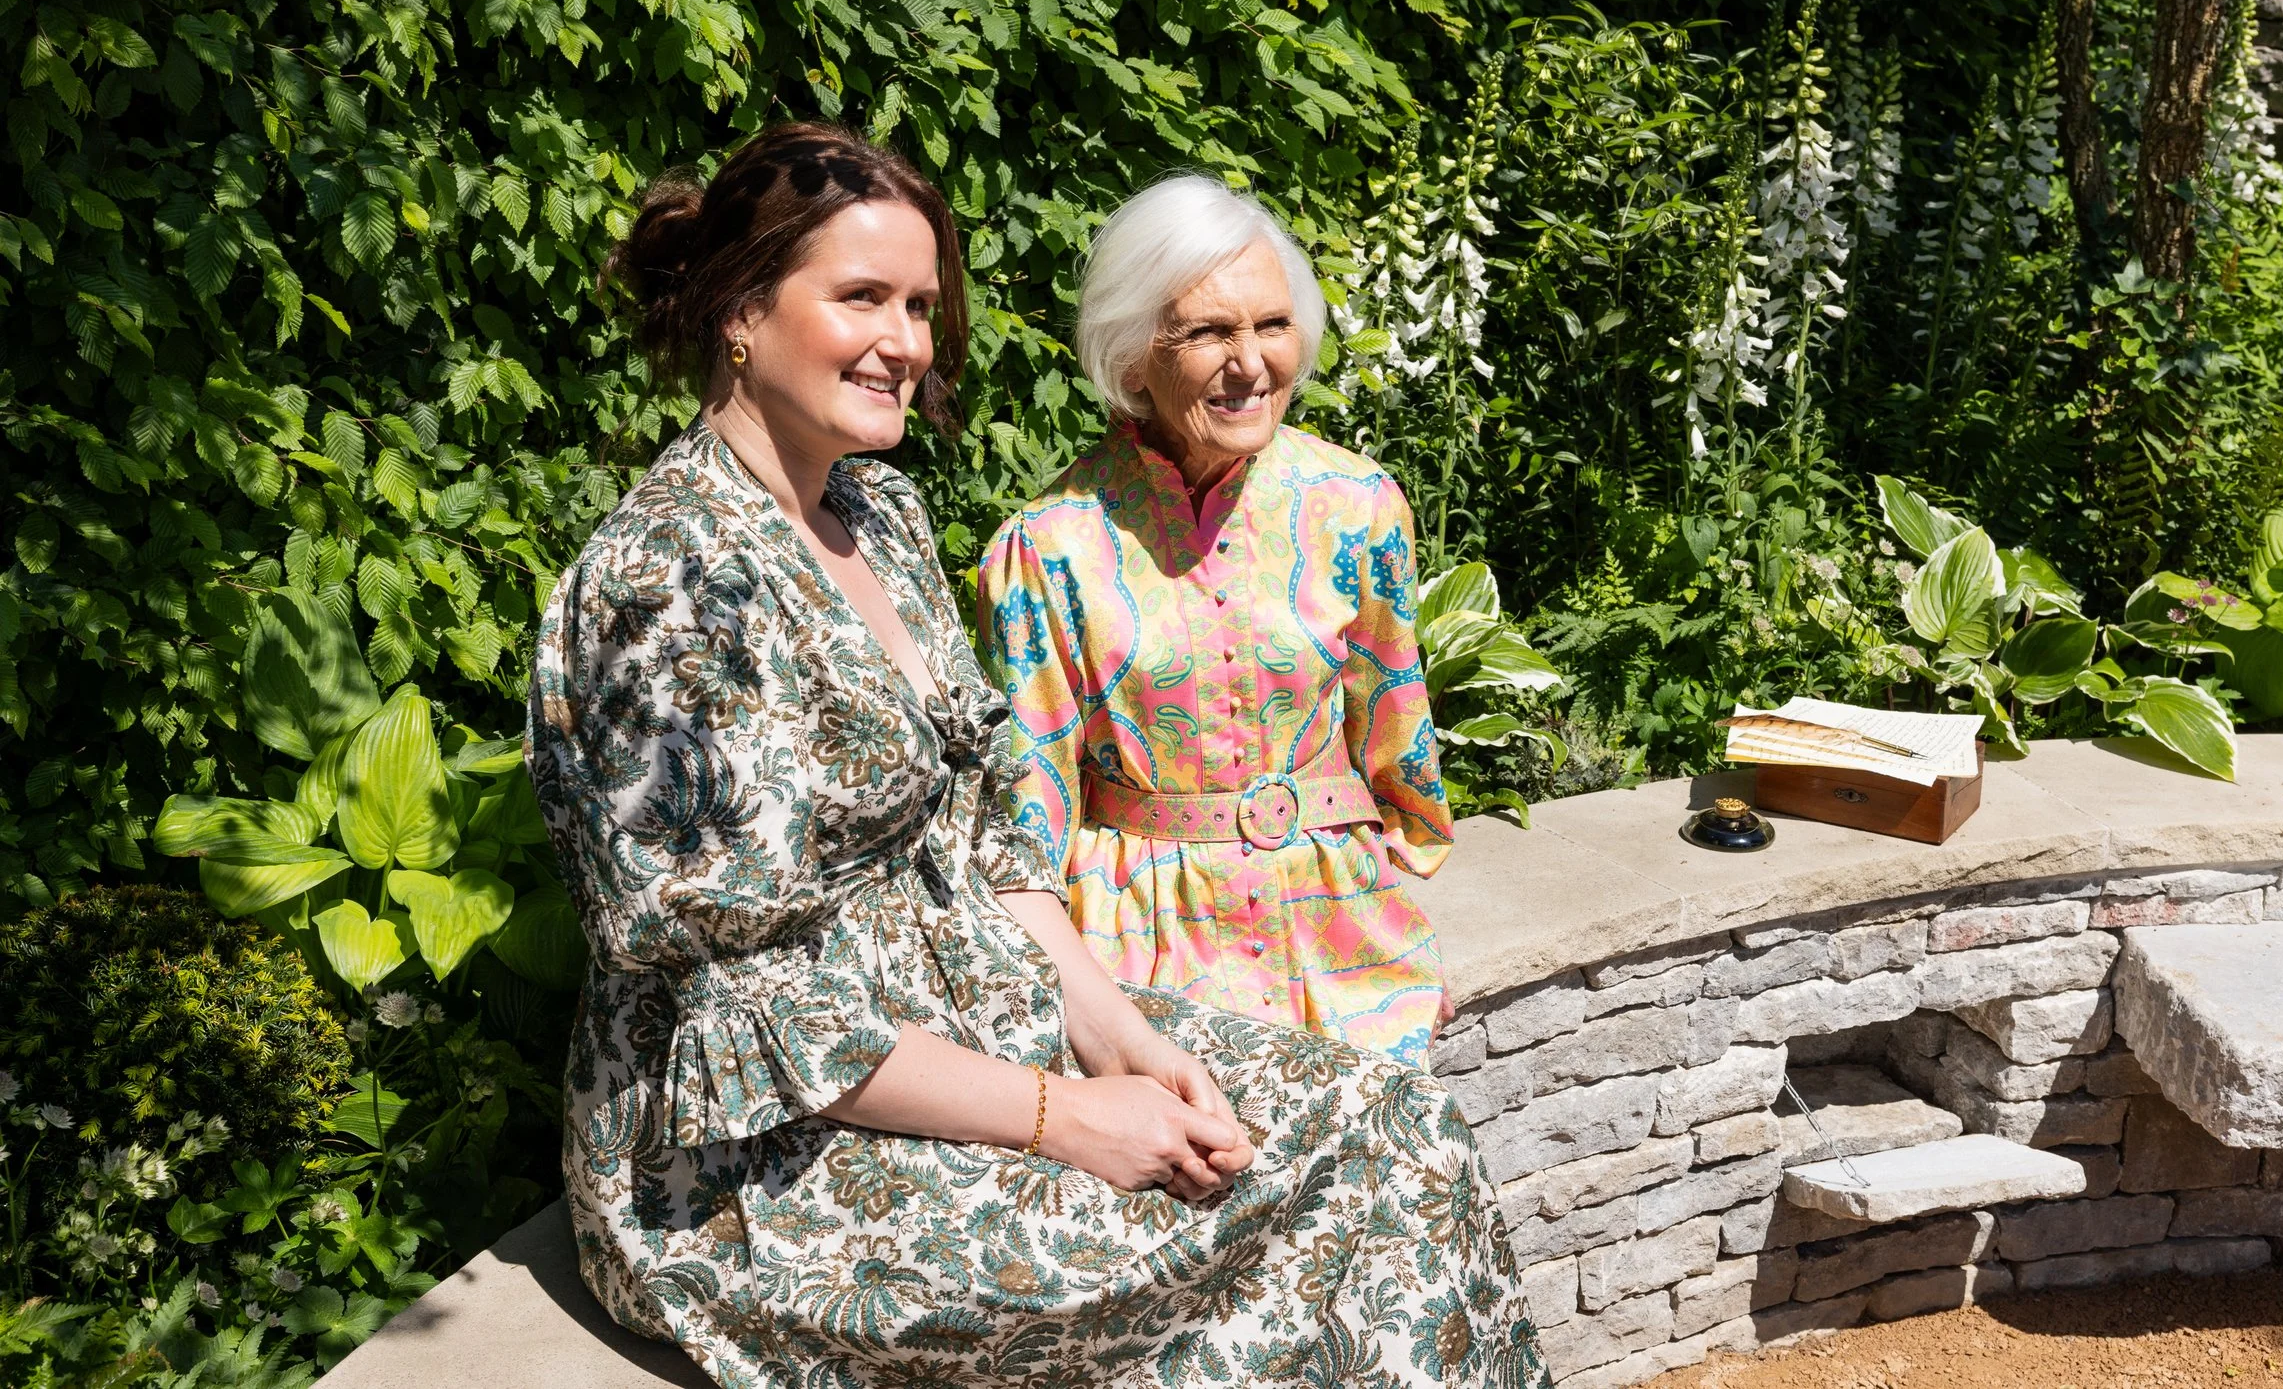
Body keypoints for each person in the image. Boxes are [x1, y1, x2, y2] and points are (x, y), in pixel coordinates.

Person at [526, 125, 1547, 1389]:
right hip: (766, 1162)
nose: (905, 342)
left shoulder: (872, 513)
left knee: (1399, 1127)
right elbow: (764, 1022)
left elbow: (983, 831)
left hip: (977, 1022)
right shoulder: (671, 591)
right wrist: (1073, 1119)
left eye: (917, 305)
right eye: (862, 299)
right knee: (1256, 1231)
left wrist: (1120, 1037)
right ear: (740, 310)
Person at [977, 175, 1456, 1069]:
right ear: (1133, 354)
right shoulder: (1044, 550)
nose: (1251, 363)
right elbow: (1028, 809)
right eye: (1208, 332)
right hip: (1140, 946)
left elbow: (1398, 731)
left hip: (1342, 935)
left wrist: (1399, 908)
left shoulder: (1356, 506)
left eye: (1272, 326)